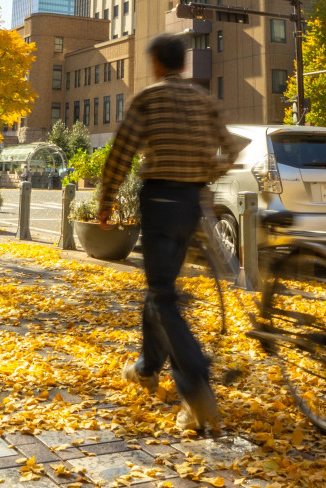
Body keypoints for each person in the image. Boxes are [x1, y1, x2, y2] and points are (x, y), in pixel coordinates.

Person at [95, 33, 241, 435]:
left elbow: (121, 153)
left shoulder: (149, 98)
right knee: (160, 289)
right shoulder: (204, 100)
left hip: (158, 202)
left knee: (163, 296)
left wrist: (106, 202)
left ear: (158, 63)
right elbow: (231, 150)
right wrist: (205, 175)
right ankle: (146, 368)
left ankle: (195, 385)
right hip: (193, 205)